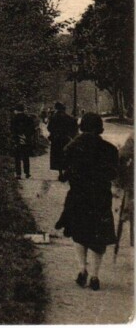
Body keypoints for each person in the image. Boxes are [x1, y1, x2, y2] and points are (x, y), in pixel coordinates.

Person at [55, 113, 118, 291]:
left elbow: (64, 171)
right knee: (99, 236)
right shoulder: (110, 149)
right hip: (100, 197)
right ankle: (95, 276)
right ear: (100, 128)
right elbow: (113, 174)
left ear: (82, 126)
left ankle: (82, 269)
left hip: (78, 196)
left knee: (79, 232)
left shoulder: (72, 147)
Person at [48, 102, 78, 182]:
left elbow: (49, 128)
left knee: (58, 155)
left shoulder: (54, 117)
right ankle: (66, 171)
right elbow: (73, 128)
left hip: (56, 139)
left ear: (56, 108)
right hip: (66, 138)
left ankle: (60, 172)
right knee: (66, 154)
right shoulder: (68, 117)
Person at [11, 104, 36, 179]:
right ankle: (27, 172)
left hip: (17, 140)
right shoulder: (28, 118)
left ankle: (18, 174)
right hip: (26, 140)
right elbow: (32, 130)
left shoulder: (14, 119)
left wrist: (16, 136)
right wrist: (26, 135)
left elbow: (12, 130)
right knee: (26, 156)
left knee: (17, 157)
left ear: (16, 110)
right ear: (23, 110)